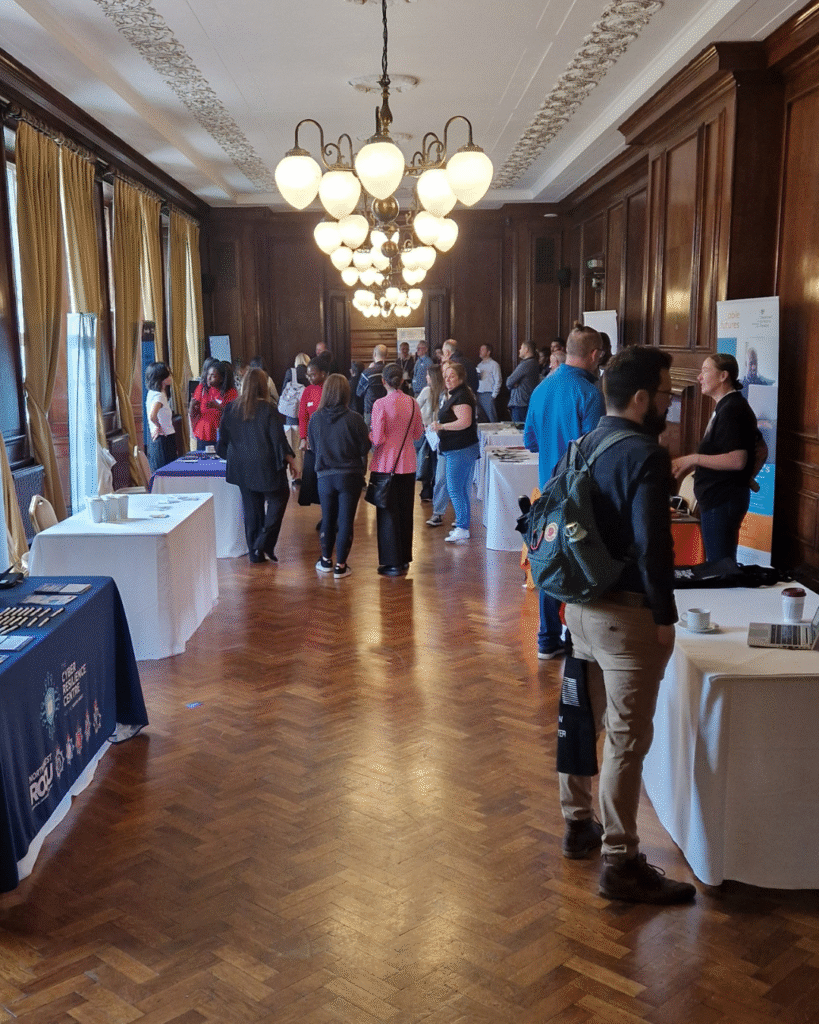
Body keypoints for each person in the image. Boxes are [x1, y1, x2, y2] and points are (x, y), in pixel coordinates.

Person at [559, 345, 695, 906]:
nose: (668, 403)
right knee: (625, 739)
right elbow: (653, 543)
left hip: (581, 607)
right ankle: (621, 861)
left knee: (579, 720)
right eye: (665, 393)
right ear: (641, 399)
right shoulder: (644, 453)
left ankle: (577, 824)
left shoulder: (585, 443)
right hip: (626, 615)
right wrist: (664, 616)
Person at [524, 324, 605, 659]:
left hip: (548, 493)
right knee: (584, 565)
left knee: (551, 562)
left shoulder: (541, 389)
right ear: (595, 355)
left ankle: (547, 638)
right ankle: (579, 641)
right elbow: (597, 450)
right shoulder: (590, 394)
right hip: (581, 495)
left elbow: (530, 441)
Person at [671, 353, 758, 563]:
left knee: (720, 567)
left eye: (705, 371)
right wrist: (748, 477)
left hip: (723, 500)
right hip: (719, 499)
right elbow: (760, 448)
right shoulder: (727, 406)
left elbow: (738, 460)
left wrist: (693, 459)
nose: (699, 377)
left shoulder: (733, 409)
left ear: (723, 376)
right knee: (718, 563)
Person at [215, 368, 296, 564]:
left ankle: (255, 553)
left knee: (252, 510)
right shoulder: (268, 409)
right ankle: (264, 542)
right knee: (280, 497)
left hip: (241, 468)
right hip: (266, 466)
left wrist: (234, 458)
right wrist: (291, 461)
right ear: (263, 386)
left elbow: (221, 443)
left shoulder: (231, 408)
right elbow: (278, 440)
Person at [308, 374, 371, 579]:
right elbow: (365, 447)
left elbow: (314, 447)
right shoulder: (354, 418)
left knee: (327, 518)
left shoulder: (315, 418)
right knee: (345, 521)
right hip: (350, 475)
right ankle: (341, 566)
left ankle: (325, 561)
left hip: (325, 475)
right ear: (346, 393)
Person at [369, 363, 424, 576]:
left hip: (386, 464)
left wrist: (368, 436)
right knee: (405, 513)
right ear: (401, 381)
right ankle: (404, 560)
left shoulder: (380, 404)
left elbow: (378, 438)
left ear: (383, 381)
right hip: (408, 463)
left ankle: (391, 562)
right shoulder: (412, 402)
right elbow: (418, 434)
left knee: (388, 514)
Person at [429, 361, 480, 543]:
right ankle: (462, 525)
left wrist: (441, 426)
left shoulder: (462, 396)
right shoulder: (456, 394)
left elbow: (464, 422)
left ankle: (462, 527)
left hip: (460, 449)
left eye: (452, 376)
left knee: (455, 488)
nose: (448, 379)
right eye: (446, 376)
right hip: (457, 448)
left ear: (460, 377)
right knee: (460, 489)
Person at [190, 359, 237, 450]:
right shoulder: (202, 389)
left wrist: (218, 407)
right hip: (204, 433)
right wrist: (192, 406)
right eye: (208, 374)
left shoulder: (231, 392)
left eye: (213, 375)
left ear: (221, 379)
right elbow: (193, 414)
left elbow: (234, 413)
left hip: (222, 434)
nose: (208, 378)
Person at [416, 364, 444, 503]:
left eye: (428, 375)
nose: (426, 377)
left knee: (425, 459)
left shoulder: (427, 391)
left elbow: (416, 407)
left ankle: (426, 490)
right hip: (440, 431)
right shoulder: (444, 392)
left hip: (427, 431)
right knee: (436, 462)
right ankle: (435, 489)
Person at [280, 353, 309, 486]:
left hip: (291, 414)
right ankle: (306, 474)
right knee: (306, 444)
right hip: (306, 412)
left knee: (293, 445)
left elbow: (284, 392)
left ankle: (295, 476)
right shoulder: (310, 372)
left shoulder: (290, 372)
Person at [144, 361, 176, 472]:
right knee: (167, 472)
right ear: (161, 378)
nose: (171, 376)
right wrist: (158, 426)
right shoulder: (159, 395)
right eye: (168, 374)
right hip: (164, 438)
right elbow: (153, 416)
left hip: (158, 439)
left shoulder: (152, 393)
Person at [505, 341, 540, 423]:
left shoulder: (527, 364)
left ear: (526, 350)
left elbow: (509, 381)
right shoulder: (533, 362)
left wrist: (514, 383)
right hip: (524, 402)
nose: (519, 350)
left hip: (521, 403)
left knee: (519, 431)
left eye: (521, 348)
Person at [357, 344, 387, 426]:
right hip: (388, 409)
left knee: (370, 436)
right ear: (386, 355)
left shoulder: (367, 373)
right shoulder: (389, 371)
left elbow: (359, 392)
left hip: (371, 410)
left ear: (374, 354)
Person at [476, 344, 502, 422]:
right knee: (481, 418)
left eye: (482, 350)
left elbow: (498, 380)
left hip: (489, 394)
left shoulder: (494, 365)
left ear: (488, 352)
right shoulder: (479, 365)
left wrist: (494, 395)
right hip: (479, 394)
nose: (480, 351)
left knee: (492, 418)